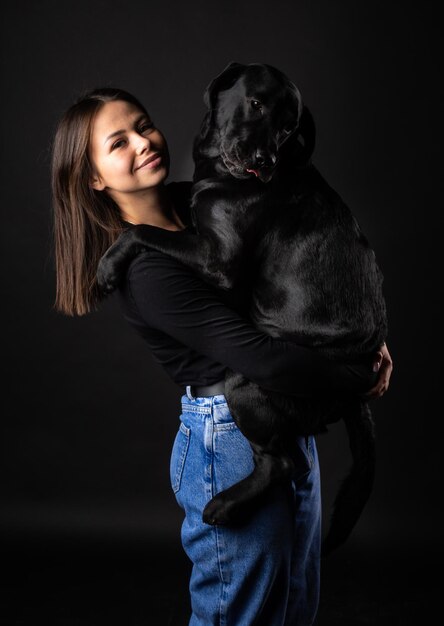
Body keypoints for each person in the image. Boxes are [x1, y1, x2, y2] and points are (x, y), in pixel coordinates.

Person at [51, 87, 393, 626]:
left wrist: (359, 336)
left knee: (290, 611)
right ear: (94, 178)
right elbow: (260, 358)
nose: (143, 143)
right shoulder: (146, 272)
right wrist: (352, 375)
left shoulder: (207, 202)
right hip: (231, 440)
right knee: (240, 616)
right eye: (119, 143)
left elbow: (305, 264)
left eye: (144, 125)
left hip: (284, 421)